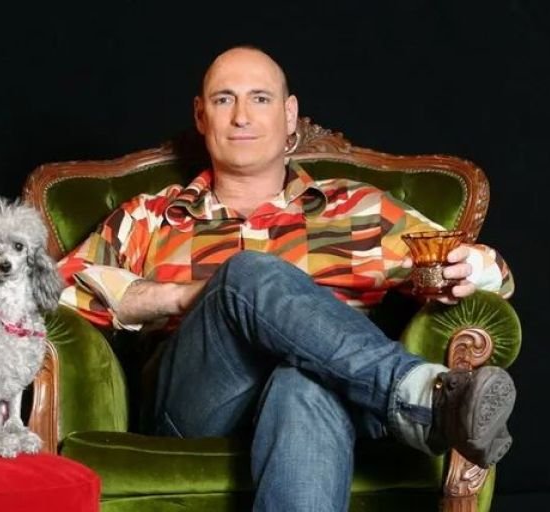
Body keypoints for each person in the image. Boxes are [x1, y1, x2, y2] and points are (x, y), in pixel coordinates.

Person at [56, 46, 516, 512]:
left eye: (260, 98)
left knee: (303, 382)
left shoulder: (361, 212)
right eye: (223, 99)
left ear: (290, 113)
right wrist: (185, 297)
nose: (241, 116)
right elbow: (53, 295)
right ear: (200, 115)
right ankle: (423, 398)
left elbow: (488, 273)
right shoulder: (152, 217)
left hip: (339, 403)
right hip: (194, 407)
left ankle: (413, 395)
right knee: (245, 272)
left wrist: (471, 268)